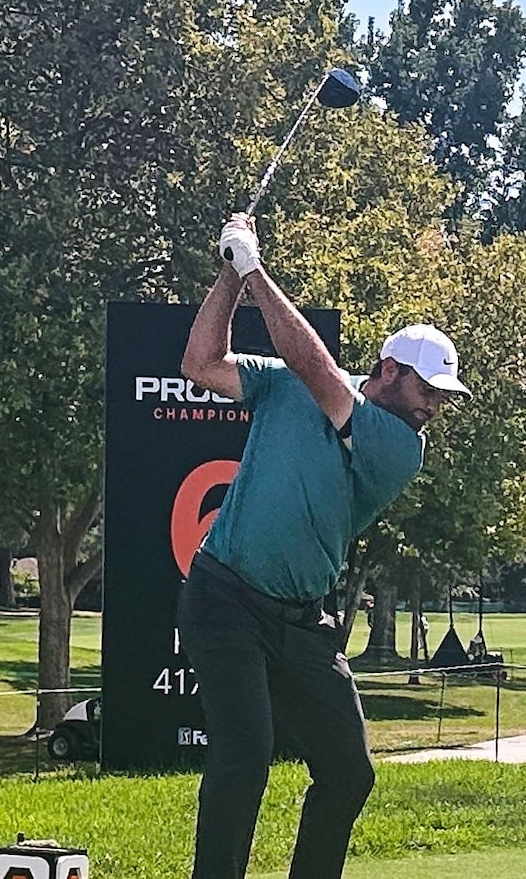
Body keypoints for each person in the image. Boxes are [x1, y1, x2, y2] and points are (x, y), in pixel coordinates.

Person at [177, 214, 471, 879]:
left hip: (305, 620)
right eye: (427, 389)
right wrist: (229, 270)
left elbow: (314, 366)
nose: (432, 407)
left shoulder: (400, 447)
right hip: (224, 595)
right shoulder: (287, 385)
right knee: (243, 755)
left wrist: (254, 268)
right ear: (391, 371)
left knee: (348, 772)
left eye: (441, 398)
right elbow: (199, 363)